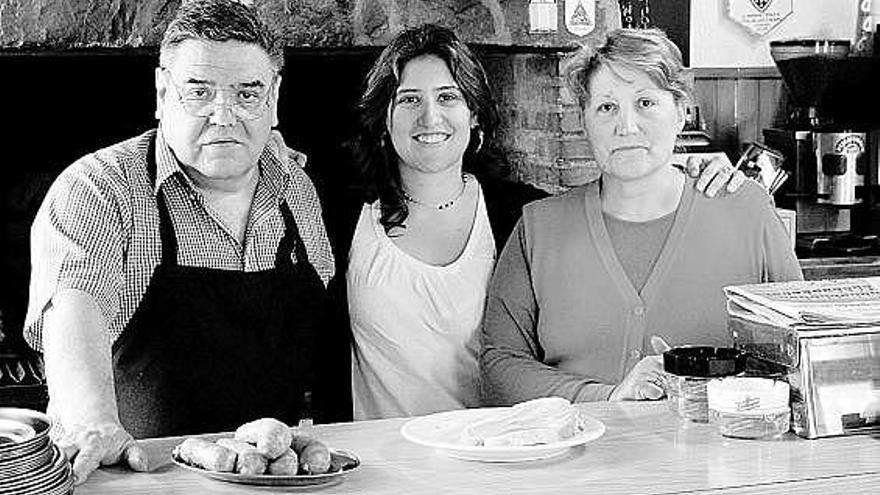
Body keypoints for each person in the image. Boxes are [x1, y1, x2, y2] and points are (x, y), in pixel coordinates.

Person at [340, 24, 746, 420]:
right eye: (409, 99)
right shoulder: (338, 212)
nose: (430, 116)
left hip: (501, 458)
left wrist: (688, 174)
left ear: (475, 115)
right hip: (377, 460)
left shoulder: (525, 216)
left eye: (448, 97)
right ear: (384, 118)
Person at [24, 0, 345, 484]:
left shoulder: (296, 190)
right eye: (199, 91)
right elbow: (73, 311)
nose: (224, 115)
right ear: (161, 92)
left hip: (270, 483)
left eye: (247, 93)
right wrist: (92, 422)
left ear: (274, 98)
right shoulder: (101, 187)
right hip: (133, 479)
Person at [479, 28, 803, 406]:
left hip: (717, 458)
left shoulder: (746, 211)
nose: (626, 126)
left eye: (646, 103)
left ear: (681, 112)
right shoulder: (538, 229)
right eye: (606, 107)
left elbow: (799, 347)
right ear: (584, 121)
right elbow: (500, 365)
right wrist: (607, 396)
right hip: (574, 461)